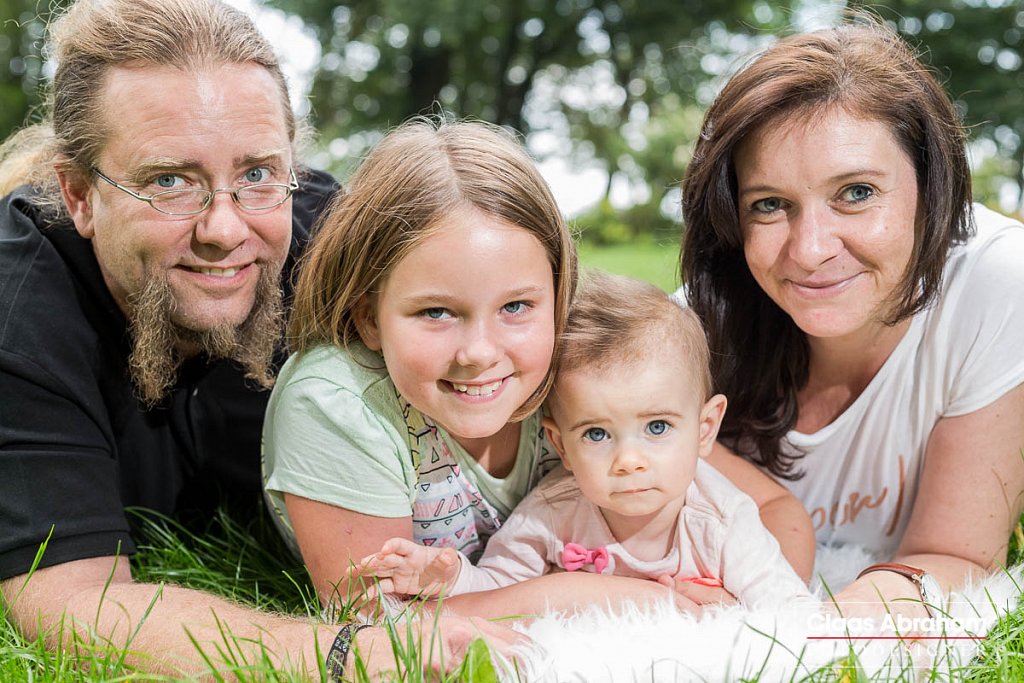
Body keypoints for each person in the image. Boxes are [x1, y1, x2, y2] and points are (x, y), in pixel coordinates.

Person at [0, 0, 516, 678]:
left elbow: (543, 330)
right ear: (78, 194)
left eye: (256, 174)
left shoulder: (340, 250)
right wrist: (347, 652)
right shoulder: (19, 317)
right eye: (170, 180)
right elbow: (71, 601)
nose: (224, 229)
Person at [679, 19, 1024, 618]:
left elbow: (958, 558)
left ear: (931, 185)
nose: (810, 248)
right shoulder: (690, 331)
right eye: (770, 205)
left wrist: (814, 641)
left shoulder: (997, 282)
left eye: (857, 192)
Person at [359, 272, 815, 610]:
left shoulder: (722, 519)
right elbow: (499, 596)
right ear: (561, 445)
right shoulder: (552, 514)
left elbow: (786, 612)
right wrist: (455, 577)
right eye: (597, 434)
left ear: (705, 427)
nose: (629, 460)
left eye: (657, 427)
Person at [261, 117, 576, 605]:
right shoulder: (335, 403)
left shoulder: (581, 363)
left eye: (515, 307)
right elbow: (384, 627)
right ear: (369, 319)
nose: (480, 353)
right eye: (436, 312)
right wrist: (599, 594)